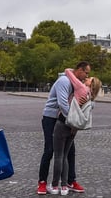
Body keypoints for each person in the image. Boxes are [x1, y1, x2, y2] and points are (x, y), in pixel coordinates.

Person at [37, 61, 91, 195]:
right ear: (79, 70)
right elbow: (62, 104)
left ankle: (70, 181)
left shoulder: (74, 83)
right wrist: (74, 122)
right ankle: (42, 182)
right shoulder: (64, 81)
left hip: (65, 119)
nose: (86, 76)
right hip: (52, 118)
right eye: (86, 73)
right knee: (49, 150)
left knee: (70, 151)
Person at [49, 69, 102, 195]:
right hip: (75, 128)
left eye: (89, 78)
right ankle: (65, 186)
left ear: (91, 84)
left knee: (58, 156)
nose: (87, 77)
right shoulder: (91, 97)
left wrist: (77, 70)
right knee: (65, 156)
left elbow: (68, 72)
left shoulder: (81, 88)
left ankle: (55, 186)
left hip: (64, 122)